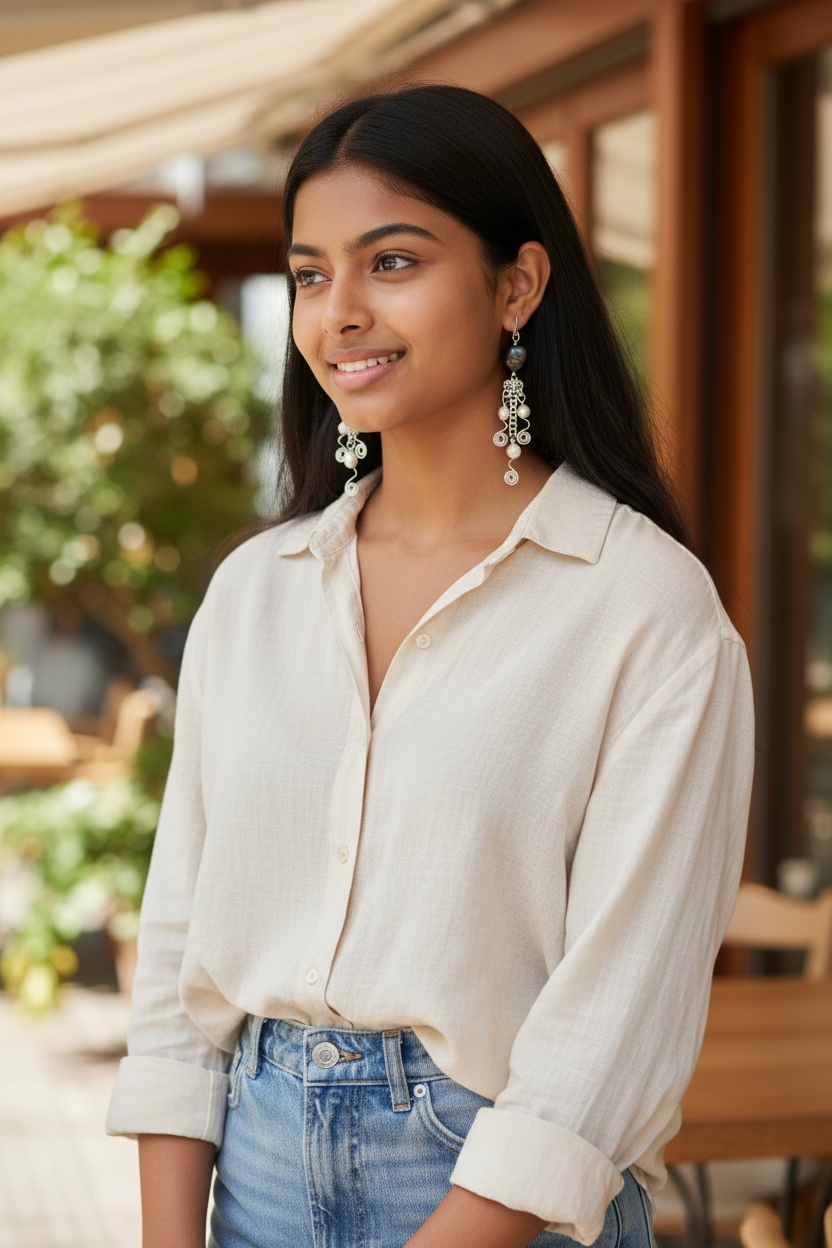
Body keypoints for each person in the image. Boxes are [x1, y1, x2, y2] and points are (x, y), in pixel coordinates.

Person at [107, 85, 755, 1248]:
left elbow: (614, 1018)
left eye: (389, 262)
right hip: (249, 1180)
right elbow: (176, 964)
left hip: (502, 1197)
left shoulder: (645, 611)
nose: (338, 313)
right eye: (310, 275)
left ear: (517, 284)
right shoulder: (256, 594)